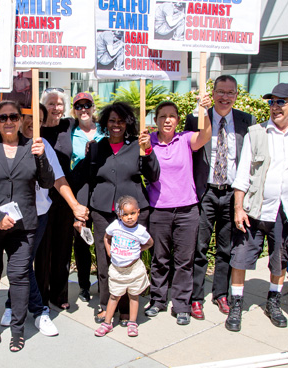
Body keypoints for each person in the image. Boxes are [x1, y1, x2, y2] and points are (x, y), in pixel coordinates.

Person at [226, 83, 288, 332]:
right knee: (240, 260)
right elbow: (243, 174)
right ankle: (236, 304)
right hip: (255, 210)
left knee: (280, 261)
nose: (274, 107)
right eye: (271, 102)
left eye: (281, 101)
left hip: (286, 211)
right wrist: (238, 209)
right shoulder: (257, 132)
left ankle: (273, 302)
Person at [0, 100, 54, 352]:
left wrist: (42, 157)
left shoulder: (33, 146)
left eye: (13, 117)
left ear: (20, 120)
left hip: (23, 225)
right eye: (3, 117)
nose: (8, 122)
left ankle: (18, 331)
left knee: (18, 277)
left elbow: (47, 182)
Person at [0, 103, 89, 336]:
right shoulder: (7, 144)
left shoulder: (44, 145)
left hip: (38, 215)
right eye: (27, 117)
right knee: (20, 264)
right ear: (19, 118)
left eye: (37, 119)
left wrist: (75, 205)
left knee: (21, 263)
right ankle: (34, 309)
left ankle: (21, 306)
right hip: (10, 218)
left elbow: (59, 179)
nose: (31, 123)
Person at [76, 101, 160, 325]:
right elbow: (88, 179)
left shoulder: (137, 146)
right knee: (105, 261)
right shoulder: (96, 147)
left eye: (121, 121)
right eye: (112, 120)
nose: (116, 125)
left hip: (132, 215)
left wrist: (148, 150)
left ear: (128, 123)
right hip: (103, 212)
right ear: (105, 122)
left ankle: (125, 308)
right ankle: (105, 305)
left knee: (129, 261)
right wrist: (81, 212)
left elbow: (153, 175)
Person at [184, 75, 257, 320]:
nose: (225, 97)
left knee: (226, 248)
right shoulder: (197, 119)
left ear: (236, 95)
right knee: (200, 247)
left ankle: (221, 294)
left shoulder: (247, 121)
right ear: (212, 93)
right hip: (205, 191)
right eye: (221, 92)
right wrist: (200, 109)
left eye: (230, 93)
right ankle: (196, 297)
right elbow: (188, 150)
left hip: (232, 194)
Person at [145, 96, 212, 326]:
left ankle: (181, 304)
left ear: (178, 120)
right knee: (159, 259)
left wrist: (203, 111)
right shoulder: (149, 141)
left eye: (171, 116)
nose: (167, 120)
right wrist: (143, 144)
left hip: (186, 210)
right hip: (159, 210)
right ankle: (157, 300)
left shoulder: (185, 139)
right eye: (162, 116)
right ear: (156, 120)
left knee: (184, 260)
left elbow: (205, 135)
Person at [35, 88, 78, 310]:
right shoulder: (36, 128)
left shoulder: (68, 125)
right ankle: (41, 295)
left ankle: (59, 294)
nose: (56, 108)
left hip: (64, 195)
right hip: (41, 196)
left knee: (62, 247)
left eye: (59, 103)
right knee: (43, 249)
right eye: (51, 103)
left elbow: (90, 122)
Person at [94, 196, 154, 338]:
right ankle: (107, 323)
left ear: (138, 212)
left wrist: (138, 250)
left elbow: (150, 243)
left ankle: (132, 323)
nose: (129, 217)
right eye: (125, 214)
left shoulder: (140, 231)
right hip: (117, 269)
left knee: (134, 296)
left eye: (132, 213)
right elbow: (106, 237)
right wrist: (109, 251)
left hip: (134, 269)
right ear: (119, 214)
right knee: (114, 296)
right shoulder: (115, 226)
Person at [70, 92, 106, 302]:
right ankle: (84, 285)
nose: (83, 110)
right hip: (81, 189)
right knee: (82, 238)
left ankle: (104, 283)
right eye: (79, 106)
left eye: (87, 105)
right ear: (74, 110)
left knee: (103, 238)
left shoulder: (104, 130)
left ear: (93, 108)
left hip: (102, 189)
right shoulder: (71, 132)